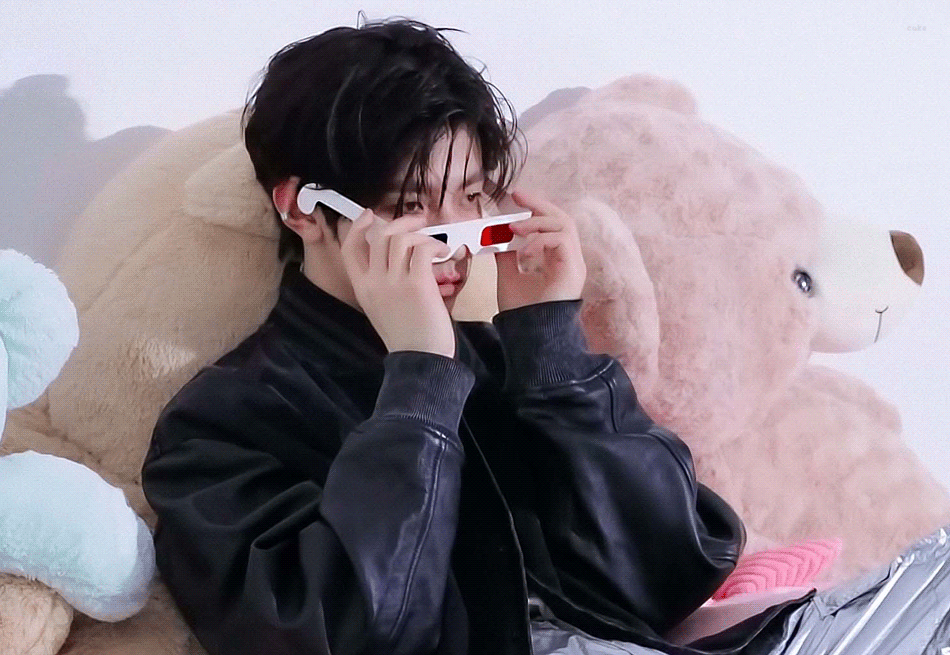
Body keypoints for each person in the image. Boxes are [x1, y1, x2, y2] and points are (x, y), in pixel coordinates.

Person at [141, 18, 950, 655]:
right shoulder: (216, 430)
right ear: (303, 208)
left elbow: (676, 566)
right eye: (413, 206)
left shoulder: (500, 360)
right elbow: (357, 633)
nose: (456, 240)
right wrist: (418, 383)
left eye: (472, 197)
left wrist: (553, 349)